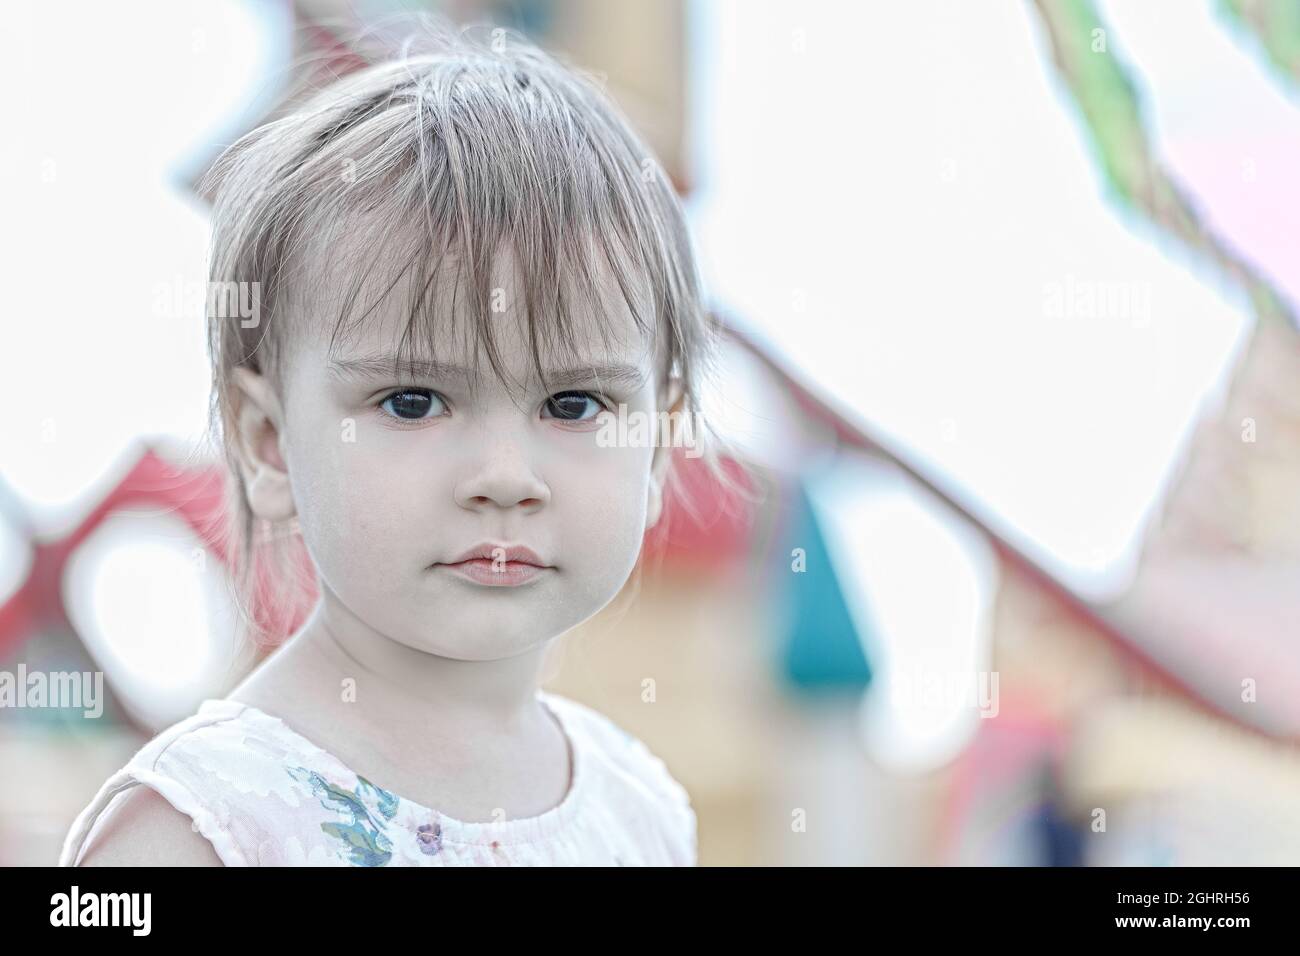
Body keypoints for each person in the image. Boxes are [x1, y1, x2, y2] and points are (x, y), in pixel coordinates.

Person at [59, 17, 728, 866]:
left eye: (573, 403)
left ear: (659, 445)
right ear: (268, 444)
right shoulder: (203, 828)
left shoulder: (643, 812)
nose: (504, 477)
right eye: (413, 401)